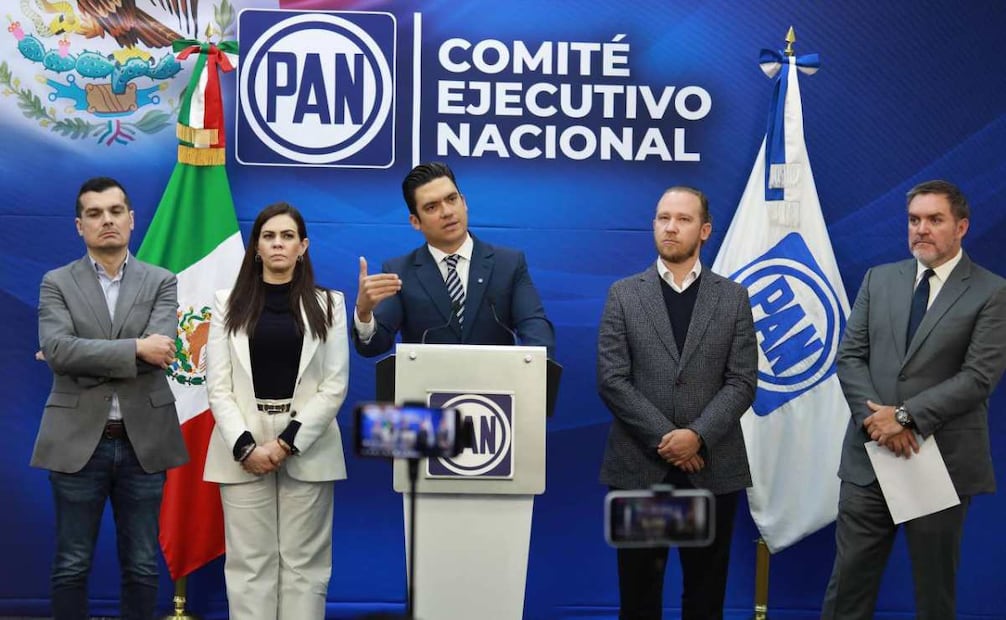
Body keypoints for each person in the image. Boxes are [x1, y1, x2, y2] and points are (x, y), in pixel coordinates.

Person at [822, 180, 1006, 619]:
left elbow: (978, 377)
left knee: (933, 596)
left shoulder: (991, 291)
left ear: (961, 226)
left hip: (937, 460)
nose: (921, 229)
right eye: (914, 220)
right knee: (847, 589)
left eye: (934, 220)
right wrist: (879, 425)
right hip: (869, 458)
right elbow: (850, 357)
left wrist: (905, 417)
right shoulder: (879, 279)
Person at [597, 186, 757, 619]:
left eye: (683, 219)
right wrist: (668, 439)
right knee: (639, 595)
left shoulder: (733, 298)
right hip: (641, 469)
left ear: (704, 230)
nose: (670, 227)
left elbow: (742, 382)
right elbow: (612, 380)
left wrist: (697, 437)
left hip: (710, 470)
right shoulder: (624, 295)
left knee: (705, 597)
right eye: (663, 217)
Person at [32, 176, 187, 620]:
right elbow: (59, 350)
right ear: (79, 226)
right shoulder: (56, 282)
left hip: (144, 442)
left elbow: (162, 349)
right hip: (77, 440)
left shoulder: (161, 281)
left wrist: (82, 354)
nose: (107, 221)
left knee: (141, 565)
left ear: (132, 220)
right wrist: (135, 348)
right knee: (71, 564)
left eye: (115, 211)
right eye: (95, 214)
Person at [203, 202, 350, 620]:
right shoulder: (226, 303)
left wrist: (286, 442)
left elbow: (334, 384)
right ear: (256, 248)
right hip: (241, 443)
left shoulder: (330, 304)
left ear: (303, 246)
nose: (278, 244)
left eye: (287, 236)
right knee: (250, 564)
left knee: (306, 565)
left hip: (308, 441)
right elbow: (219, 386)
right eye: (269, 236)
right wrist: (247, 446)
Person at [352, 161, 554, 357]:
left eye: (451, 199)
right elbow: (375, 346)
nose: (447, 212)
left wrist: (535, 373)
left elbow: (535, 329)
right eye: (432, 207)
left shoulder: (509, 264)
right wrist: (364, 313)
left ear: (464, 202)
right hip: (427, 388)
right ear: (415, 222)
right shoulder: (399, 271)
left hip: (496, 387)